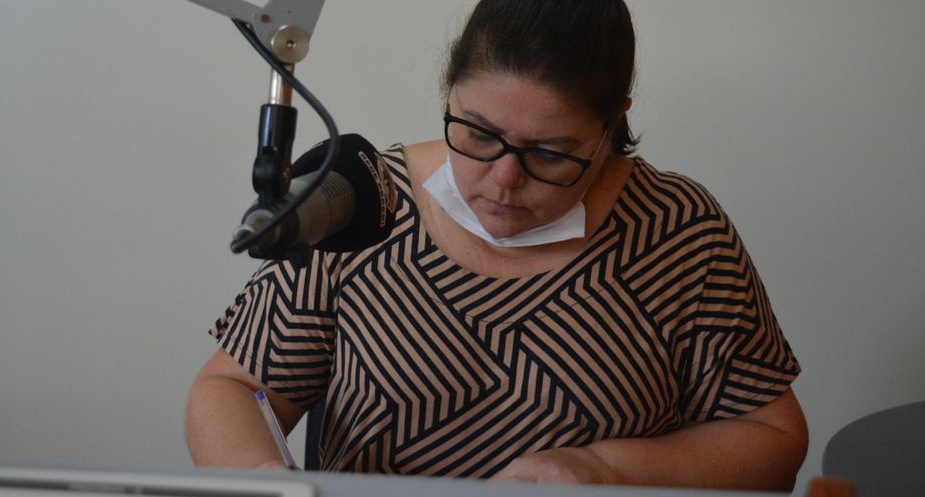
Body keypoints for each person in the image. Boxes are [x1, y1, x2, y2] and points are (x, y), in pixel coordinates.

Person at [185, 0, 808, 490]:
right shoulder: (364, 203)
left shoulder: (677, 232)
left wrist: (608, 469)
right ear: (449, 91)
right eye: (479, 134)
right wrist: (261, 478)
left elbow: (773, 439)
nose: (505, 180)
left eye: (551, 153)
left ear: (611, 124)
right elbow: (234, 388)